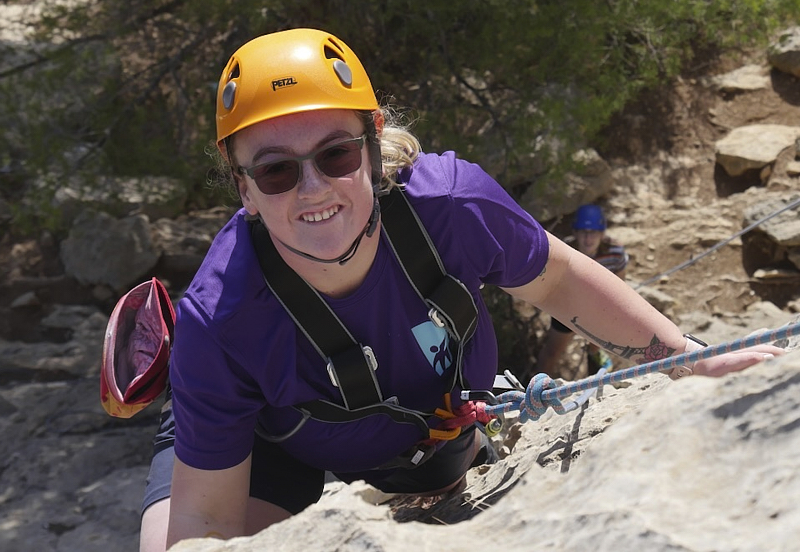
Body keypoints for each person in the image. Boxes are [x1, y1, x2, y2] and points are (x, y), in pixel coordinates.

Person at [139, 28, 781, 552]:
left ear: (371, 141)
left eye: (335, 155)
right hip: (266, 443)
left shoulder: (448, 206)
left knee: (439, 468)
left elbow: (559, 280)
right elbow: (207, 526)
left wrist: (690, 360)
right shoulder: (221, 317)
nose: (313, 189)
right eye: (276, 170)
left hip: (427, 423)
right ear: (243, 187)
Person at [536, 204, 629, 376]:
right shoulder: (563, 252)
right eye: (584, 232)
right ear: (576, 233)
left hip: (599, 307)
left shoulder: (615, 254)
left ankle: (594, 355)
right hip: (567, 307)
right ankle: (537, 388)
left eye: (593, 233)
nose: (588, 239)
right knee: (553, 352)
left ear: (602, 234)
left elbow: (620, 286)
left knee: (596, 346)